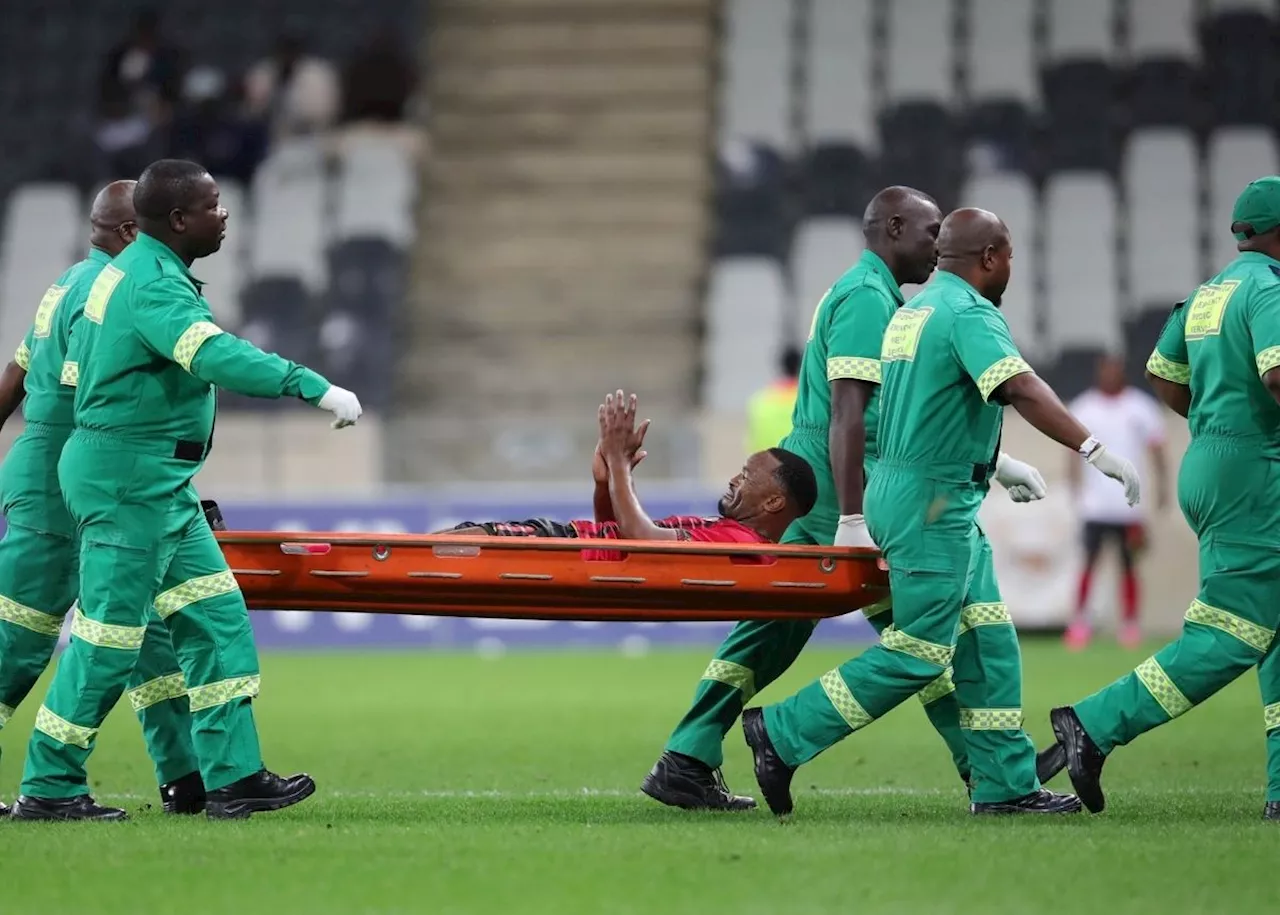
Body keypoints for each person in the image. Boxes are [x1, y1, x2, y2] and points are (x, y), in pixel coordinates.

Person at [642, 187, 1047, 813]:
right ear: (892, 229)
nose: (938, 246)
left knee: (776, 627)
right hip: (848, 484)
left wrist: (995, 463)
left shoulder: (868, 294)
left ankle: (687, 757)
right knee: (930, 634)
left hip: (818, 481)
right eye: (928, 231)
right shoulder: (866, 300)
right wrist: (855, 518)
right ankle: (989, 770)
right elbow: (850, 416)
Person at [740, 208, 1141, 817]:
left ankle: (1006, 784)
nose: (1010, 268)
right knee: (921, 652)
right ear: (990, 257)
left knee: (988, 639)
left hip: (917, 489)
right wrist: (1093, 448)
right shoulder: (969, 313)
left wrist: (996, 463)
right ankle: (784, 733)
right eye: (1008, 256)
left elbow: (927, 405)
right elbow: (1020, 387)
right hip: (933, 501)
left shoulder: (912, 315)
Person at [13, 159, 363, 822]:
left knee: (214, 615)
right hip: (127, 483)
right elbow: (210, 354)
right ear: (179, 220)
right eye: (214, 205)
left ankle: (232, 776)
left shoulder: (140, 272)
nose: (225, 214)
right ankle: (50, 784)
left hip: (157, 482)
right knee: (109, 637)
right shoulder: (150, 283)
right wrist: (308, 383)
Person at [1038, 177, 1280, 820]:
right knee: (1234, 634)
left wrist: (1215, 418)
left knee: (1274, 626)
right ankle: (1093, 724)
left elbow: (1162, 375)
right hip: (1258, 467)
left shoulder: (1206, 295)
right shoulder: (1269, 289)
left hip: (1212, 457)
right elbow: (1279, 374)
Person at [0, 182, 209, 820]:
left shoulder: (67, 285)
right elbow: (123, 409)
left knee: (141, 636)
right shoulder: (113, 289)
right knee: (22, 639)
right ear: (126, 234)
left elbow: (15, 376)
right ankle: (57, 787)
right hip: (74, 489)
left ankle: (186, 777)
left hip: (70, 479)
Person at [442, 391, 818, 561]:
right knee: (470, 536)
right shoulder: (736, 537)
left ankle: (382, 568)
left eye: (748, 476)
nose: (734, 480)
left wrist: (621, 466)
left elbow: (642, 541)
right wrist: (606, 483)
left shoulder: (743, 543)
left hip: (564, 550)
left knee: (472, 539)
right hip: (576, 550)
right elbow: (618, 535)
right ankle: (382, 566)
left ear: (774, 501)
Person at [1064, 353, 1169, 649]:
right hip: (1094, 505)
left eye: (1115, 369)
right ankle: (1080, 623)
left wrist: (1161, 489)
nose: (1110, 374)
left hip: (1129, 507)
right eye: (1105, 369)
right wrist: (1075, 489)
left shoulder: (1141, 408)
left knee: (1129, 566)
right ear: (1099, 372)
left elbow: (1157, 450)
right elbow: (1071, 451)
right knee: (1088, 563)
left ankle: (1130, 625)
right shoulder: (1085, 407)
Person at [745, 347, 801, 455]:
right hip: (801, 467)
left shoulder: (759, 401)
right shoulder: (809, 401)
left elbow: (752, 442)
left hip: (767, 465)